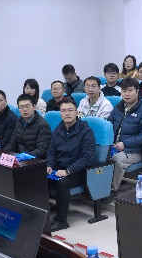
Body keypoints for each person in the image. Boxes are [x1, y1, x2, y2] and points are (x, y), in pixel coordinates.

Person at [44, 98, 93, 232]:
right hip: (59, 168)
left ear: (76, 112)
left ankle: (62, 220)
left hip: (78, 171)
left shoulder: (86, 131)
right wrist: (49, 165)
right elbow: (52, 151)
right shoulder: (58, 129)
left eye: (70, 110)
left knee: (62, 183)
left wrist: (68, 171)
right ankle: (43, 214)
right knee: (39, 176)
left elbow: (86, 157)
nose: (67, 113)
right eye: (63, 111)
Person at [108, 80, 142, 190]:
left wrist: (125, 144)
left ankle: (110, 190)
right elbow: (108, 125)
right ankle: (97, 190)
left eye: (130, 90)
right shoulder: (118, 108)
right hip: (115, 145)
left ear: (137, 91)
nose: (127, 94)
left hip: (135, 150)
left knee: (117, 159)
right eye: (124, 91)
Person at [6, 93, 51, 159]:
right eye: (21, 107)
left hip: (35, 160)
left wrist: (27, 156)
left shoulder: (43, 125)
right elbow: (13, 143)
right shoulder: (18, 122)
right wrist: (2, 153)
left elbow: (42, 149)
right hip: (20, 158)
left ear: (34, 107)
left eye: (27, 106)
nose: (24, 109)